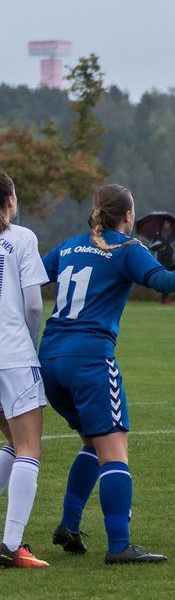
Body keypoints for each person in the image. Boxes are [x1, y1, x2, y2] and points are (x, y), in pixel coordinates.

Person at [40, 184, 175, 564]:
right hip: (89, 360)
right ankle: (119, 545)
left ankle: (69, 526)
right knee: (115, 450)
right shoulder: (126, 248)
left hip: (50, 358)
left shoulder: (69, 246)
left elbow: (30, 278)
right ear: (129, 215)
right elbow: (163, 281)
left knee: (92, 442)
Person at [0, 173, 50, 568]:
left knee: (13, 446)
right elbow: (33, 305)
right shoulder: (22, 238)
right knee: (29, 448)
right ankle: (11, 544)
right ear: (11, 200)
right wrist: (29, 344)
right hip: (14, 355)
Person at [149, 219, 175, 306]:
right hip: (159, 262)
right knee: (163, 280)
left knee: (169, 281)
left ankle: (165, 298)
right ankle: (166, 298)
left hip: (171, 262)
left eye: (168, 223)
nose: (166, 225)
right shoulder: (157, 235)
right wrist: (160, 244)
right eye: (164, 223)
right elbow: (152, 246)